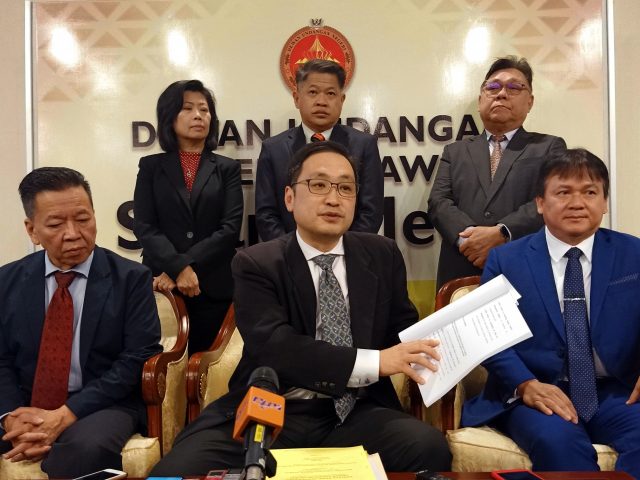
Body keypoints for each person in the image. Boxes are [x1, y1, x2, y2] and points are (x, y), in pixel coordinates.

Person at [150, 141, 451, 476]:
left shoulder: (383, 254)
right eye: (319, 185)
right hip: (272, 409)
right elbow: (276, 348)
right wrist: (377, 362)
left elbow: (403, 332)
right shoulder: (256, 262)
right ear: (290, 198)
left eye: (346, 188)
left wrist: (454, 341)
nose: (334, 199)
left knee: (428, 447)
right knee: (178, 469)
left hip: (356, 411)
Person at [462, 149, 640, 477]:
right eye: (563, 192)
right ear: (541, 203)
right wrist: (525, 384)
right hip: (536, 390)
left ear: (604, 202)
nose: (577, 203)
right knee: (559, 443)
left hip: (617, 391)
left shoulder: (634, 253)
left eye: (590, 192)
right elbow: (489, 338)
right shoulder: (507, 260)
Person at [0, 167, 162, 478]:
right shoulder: (7, 281)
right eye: (56, 224)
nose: (73, 233)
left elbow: (136, 358)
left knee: (85, 450)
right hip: (24, 401)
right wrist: (10, 418)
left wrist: (65, 414)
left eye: (83, 219)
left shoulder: (130, 278)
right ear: (32, 230)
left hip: (101, 404)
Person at [428, 55, 567, 288]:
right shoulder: (455, 151)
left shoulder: (549, 147)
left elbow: (553, 200)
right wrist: (471, 241)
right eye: (493, 87)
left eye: (514, 87)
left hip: (524, 270)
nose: (501, 93)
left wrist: (502, 232)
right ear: (480, 99)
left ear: (530, 102)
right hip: (461, 271)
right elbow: (438, 202)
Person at [134, 79, 243, 353]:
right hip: (162, 286)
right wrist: (178, 268)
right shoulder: (150, 167)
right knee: (160, 366)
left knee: (209, 368)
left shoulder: (227, 168)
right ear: (169, 117)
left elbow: (229, 229)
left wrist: (185, 268)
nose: (198, 115)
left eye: (204, 110)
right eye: (188, 108)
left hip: (212, 286)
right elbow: (145, 226)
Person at [255, 59, 383, 241]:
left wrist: (340, 251)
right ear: (297, 98)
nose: (321, 101)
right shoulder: (273, 149)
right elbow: (266, 215)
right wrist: (294, 252)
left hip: (348, 254)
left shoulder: (364, 145)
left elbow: (371, 212)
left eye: (330, 93)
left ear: (342, 100)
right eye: (313, 92)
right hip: (288, 255)